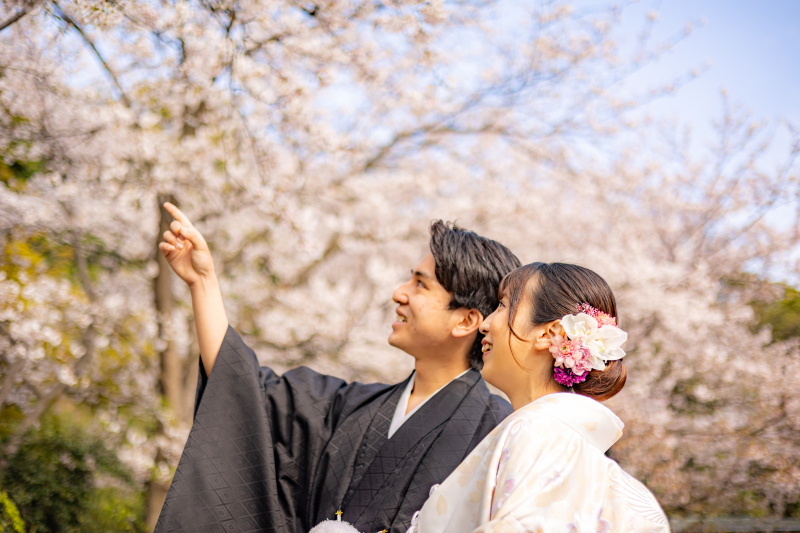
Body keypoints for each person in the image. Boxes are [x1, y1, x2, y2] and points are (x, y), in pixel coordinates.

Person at [154, 203, 521, 533]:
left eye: (420, 285)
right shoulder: (350, 407)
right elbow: (247, 391)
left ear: (466, 321)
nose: (399, 292)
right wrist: (202, 283)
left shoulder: (498, 432)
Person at [315, 262, 669, 532]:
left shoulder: (538, 434)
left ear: (551, 334)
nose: (486, 323)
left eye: (502, 306)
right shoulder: (587, 459)